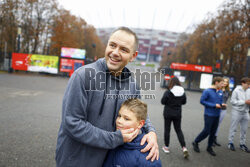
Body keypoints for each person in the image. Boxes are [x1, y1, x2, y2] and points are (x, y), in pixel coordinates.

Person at [55, 27, 159, 167]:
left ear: (133, 56)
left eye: (123, 49)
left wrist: (151, 132)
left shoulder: (132, 85)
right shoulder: (83, 76)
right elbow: (72, 123)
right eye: (112, 45)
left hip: (108, 161)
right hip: (75, 161)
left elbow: (140, 115)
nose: (115, 53)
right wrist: (116, 138)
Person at [103, 99, 162, 167]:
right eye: (119, 116)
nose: (119, 121)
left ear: (140, 124)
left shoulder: (148, 156)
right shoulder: (113, 141)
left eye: (126, 119)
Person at [192, 77, 225, 156]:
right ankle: (196, 142)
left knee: (213, 132)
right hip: (209, 115)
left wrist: (221, 105)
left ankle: (209, 147)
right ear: (216, 83)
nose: (223, 85)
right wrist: (214, 105)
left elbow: (220, 102)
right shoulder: (207, 91)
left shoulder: (220, 91)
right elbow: (202, 101)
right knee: (207, 131)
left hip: (217, 115)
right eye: (221, 83)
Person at [161, 77, 189, 158]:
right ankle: (184, 147)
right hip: (177, 113)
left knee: (167, 130)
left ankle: (166, 147)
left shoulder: (168, 92)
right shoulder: (182, 92)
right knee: (178, 130)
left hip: (168, 113)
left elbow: (162, 102)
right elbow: (184, 102)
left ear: (171, 83)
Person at [228, 77, 250, 152]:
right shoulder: (236, 90)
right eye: (248, 84)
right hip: (236, 112)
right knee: (233, 128)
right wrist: (244, 102)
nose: (249, 86)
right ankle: (230, 143)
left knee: (244, 129)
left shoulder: (249, 90)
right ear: (242, 83)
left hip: (246, 112)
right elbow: (232, 101)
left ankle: (242, 144)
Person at [213, 78, 230, 146]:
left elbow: (225, 99)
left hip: (223, 109)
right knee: (214, 124)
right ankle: (211, 139)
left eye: (227, 82)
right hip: (217, 108)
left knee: (218, 125)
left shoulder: (227, 91)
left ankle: (215, 139)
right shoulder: (218, 89)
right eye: (224, 82)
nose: (225, 83)